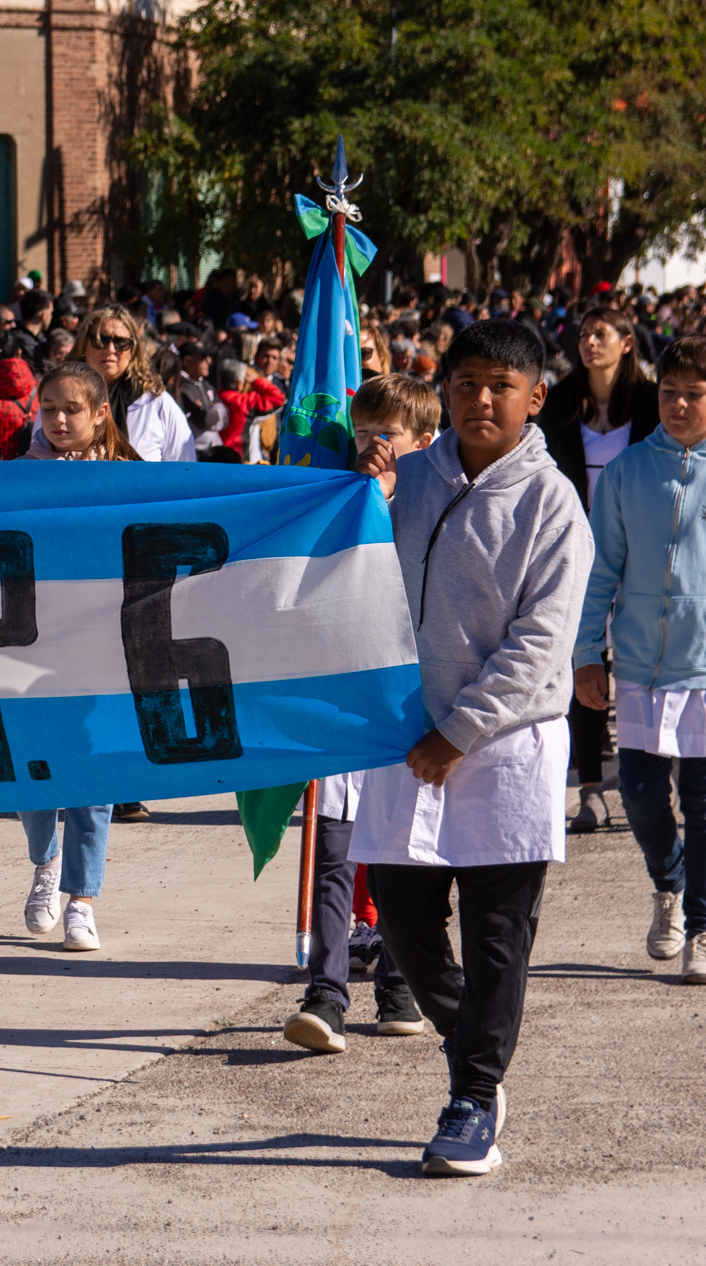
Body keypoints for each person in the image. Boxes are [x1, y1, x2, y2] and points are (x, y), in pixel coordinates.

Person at [348, 319, 593, 1177]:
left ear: (536, 396)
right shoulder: (407, 479)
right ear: (443, 390)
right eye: (465, 383)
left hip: (503, 745)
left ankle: (474, 1095)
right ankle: (473, 1046)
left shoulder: (552, 504)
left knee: (497, 937)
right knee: (405, 926)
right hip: (406, 741)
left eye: (500, 385)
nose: (481, 399)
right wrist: (358, 499)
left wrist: (459, 733)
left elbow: (541, 642)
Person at [574, 336, 706, 986]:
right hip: (642, 663)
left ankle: (703, 931)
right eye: (668, 392)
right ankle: (668, 882)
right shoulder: (626, 471)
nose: (677, 404)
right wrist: (587, 652)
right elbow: (600, 570)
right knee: (639, 793)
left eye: (694, 394)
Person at [284, 373, 442, 1055]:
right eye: (365, 433)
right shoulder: (340, 501)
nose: (373, 444)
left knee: (404, 855)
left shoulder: (438, 505)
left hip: (408, 705)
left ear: (424, 442)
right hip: (345, 701)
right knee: (334, 853)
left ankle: (400, 981)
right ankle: (327, 990)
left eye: (389, 434)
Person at [9, 359, 141, 952]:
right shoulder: (16, 477)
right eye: (49, 409)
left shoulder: (126, 478)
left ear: (100, 413)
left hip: (101, 644)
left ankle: (82, 899)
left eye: (72, 410)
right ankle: (46, 862)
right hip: (29, 643)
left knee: (94, 769)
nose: (59, 420)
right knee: (31, 763)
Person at [535, 306, 659, 834]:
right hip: (577, 547)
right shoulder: (561, 402)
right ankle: (590, 791)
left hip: (641, 547)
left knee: (636, 664)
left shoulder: (653, 402)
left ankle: (645, 780)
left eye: (600, 334)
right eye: (584, 334)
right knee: (582, 662)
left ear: (627, 342)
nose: (589, 342)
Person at [28, 305, 195, 463]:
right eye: (100, 340)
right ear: (83, 345)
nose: (110, 349)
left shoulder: (157, 404)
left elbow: (185, 470)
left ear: (133, 349)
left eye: (121, 342)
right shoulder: (56, 400)